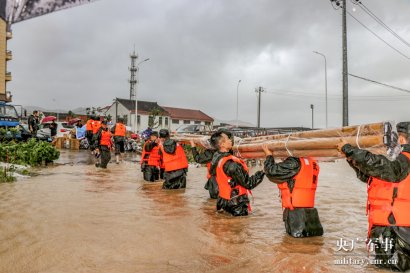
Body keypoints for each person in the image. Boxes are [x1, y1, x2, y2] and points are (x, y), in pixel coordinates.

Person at [338, 122, 410, 271]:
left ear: (402, 140)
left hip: (394, 230)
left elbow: (382, 166)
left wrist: (349, 150)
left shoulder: (404, 161)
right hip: (392, 228)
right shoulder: (398, 162)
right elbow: (371, 176)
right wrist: (352, 158)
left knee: (388, 269)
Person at [261, 144, 324, 238]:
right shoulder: (312, 162)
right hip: (312, 216)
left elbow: (271, 172)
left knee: (293, 248)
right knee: (310, 246)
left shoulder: (294, 162)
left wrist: (269, 156)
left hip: (296, 216)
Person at [209, 130, 265, 216]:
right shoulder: (232, 164)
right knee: (239, 228)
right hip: (236, 203)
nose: (231, 140)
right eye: (228, 139)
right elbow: (249, 183)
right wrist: (263, 171)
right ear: (222, 144)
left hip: (223, 200)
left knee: (227, 227)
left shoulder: (216, 158)